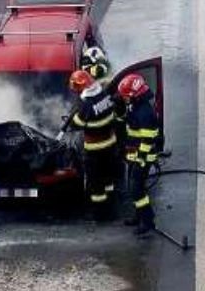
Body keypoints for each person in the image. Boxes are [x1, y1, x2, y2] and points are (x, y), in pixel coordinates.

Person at [68, 69, 121, 218]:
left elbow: (77, 124)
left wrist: (73, 115)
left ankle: (100, 213)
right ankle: (111, 201)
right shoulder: (104, 95)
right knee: (108, 176)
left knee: (95, 181)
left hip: (94, 148)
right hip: (110, 144)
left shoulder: (86, 106)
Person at [117, 73, 160, 236]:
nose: (124, 99)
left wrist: (141, 159)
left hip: (143, 158)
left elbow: (147, 140)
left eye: (126, 96)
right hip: (134, 155)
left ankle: (148, 221)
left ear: (134, 95)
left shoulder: (145, 113)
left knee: (137, 190)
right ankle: (139, 216)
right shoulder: (136, 105)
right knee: (134, 187)